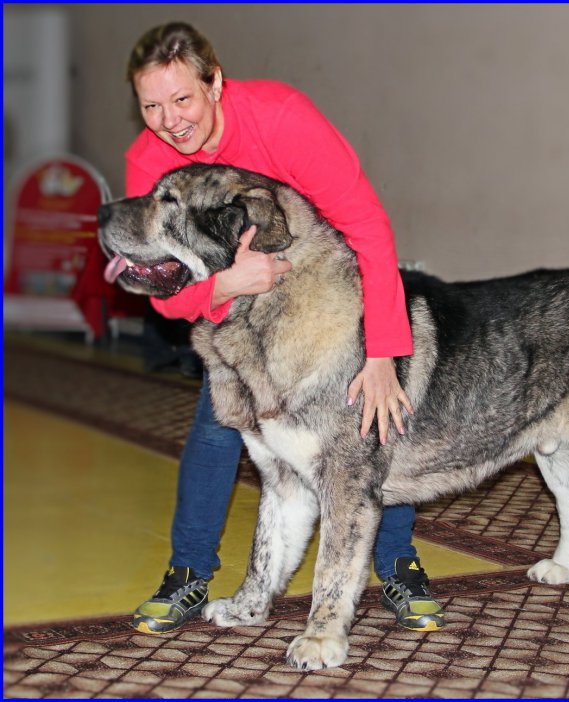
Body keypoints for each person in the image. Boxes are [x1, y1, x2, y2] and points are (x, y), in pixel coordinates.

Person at [124, 22, 445, 635]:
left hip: (321, 294)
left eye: (182, 99)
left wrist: (382, 355)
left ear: (215, 83)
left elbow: (369, 231)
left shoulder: (279, 118)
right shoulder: (149, 160)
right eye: (152, 106)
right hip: (235, 308)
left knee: (375, 420)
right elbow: (164, 295)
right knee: (217, 426)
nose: (170, 121)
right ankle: (188, 574)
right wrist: (225, 284)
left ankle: (398, 564)